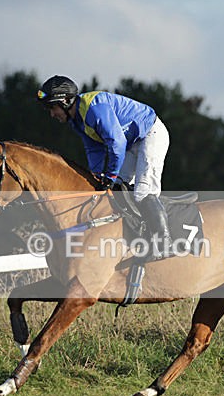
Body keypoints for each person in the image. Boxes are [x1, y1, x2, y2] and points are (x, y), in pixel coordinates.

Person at [37, 75, 173, 260]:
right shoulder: (76, 120)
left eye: (52, 108)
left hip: (151, 134)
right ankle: (137, 236)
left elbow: (116, 143)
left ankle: (165, 244)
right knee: (118, 189)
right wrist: (98, 177)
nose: (52, 114)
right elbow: (93, 149)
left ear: (66, 101)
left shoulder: (94, 109)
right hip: (132, 143)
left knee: (142, 192)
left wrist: (110, 175)